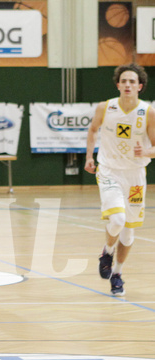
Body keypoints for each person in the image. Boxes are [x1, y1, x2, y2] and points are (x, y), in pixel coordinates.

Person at [84, 63, 155, 297]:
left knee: (128, 232)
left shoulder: (148, 112)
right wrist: (89, 157)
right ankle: (106, 251)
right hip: (109, 171)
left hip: (135, 175)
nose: (127, 84)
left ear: (140, 86)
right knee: (117, 219)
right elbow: (92, 130)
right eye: (123, 80)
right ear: (117, 84)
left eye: (132, 81)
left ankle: (117, 273)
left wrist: (146, 152)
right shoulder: (106, 107)